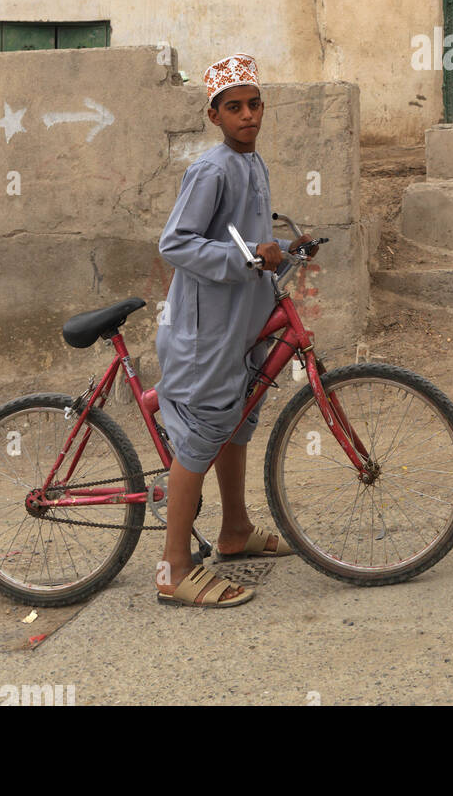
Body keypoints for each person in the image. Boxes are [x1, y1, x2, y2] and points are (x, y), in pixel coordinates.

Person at [153, 53, 310, 607]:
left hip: (242, 321)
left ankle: (235, 531)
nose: (248, 115)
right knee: (202, 433)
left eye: (255, 104)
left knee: (236, 423)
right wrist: (248, 261)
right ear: (214, 114)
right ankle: (174, 568)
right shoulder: (212, 168)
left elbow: (249, 240)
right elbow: (175, 244)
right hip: (206, 330)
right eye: (234, 107)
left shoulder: (253, 163)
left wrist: (287, 250)